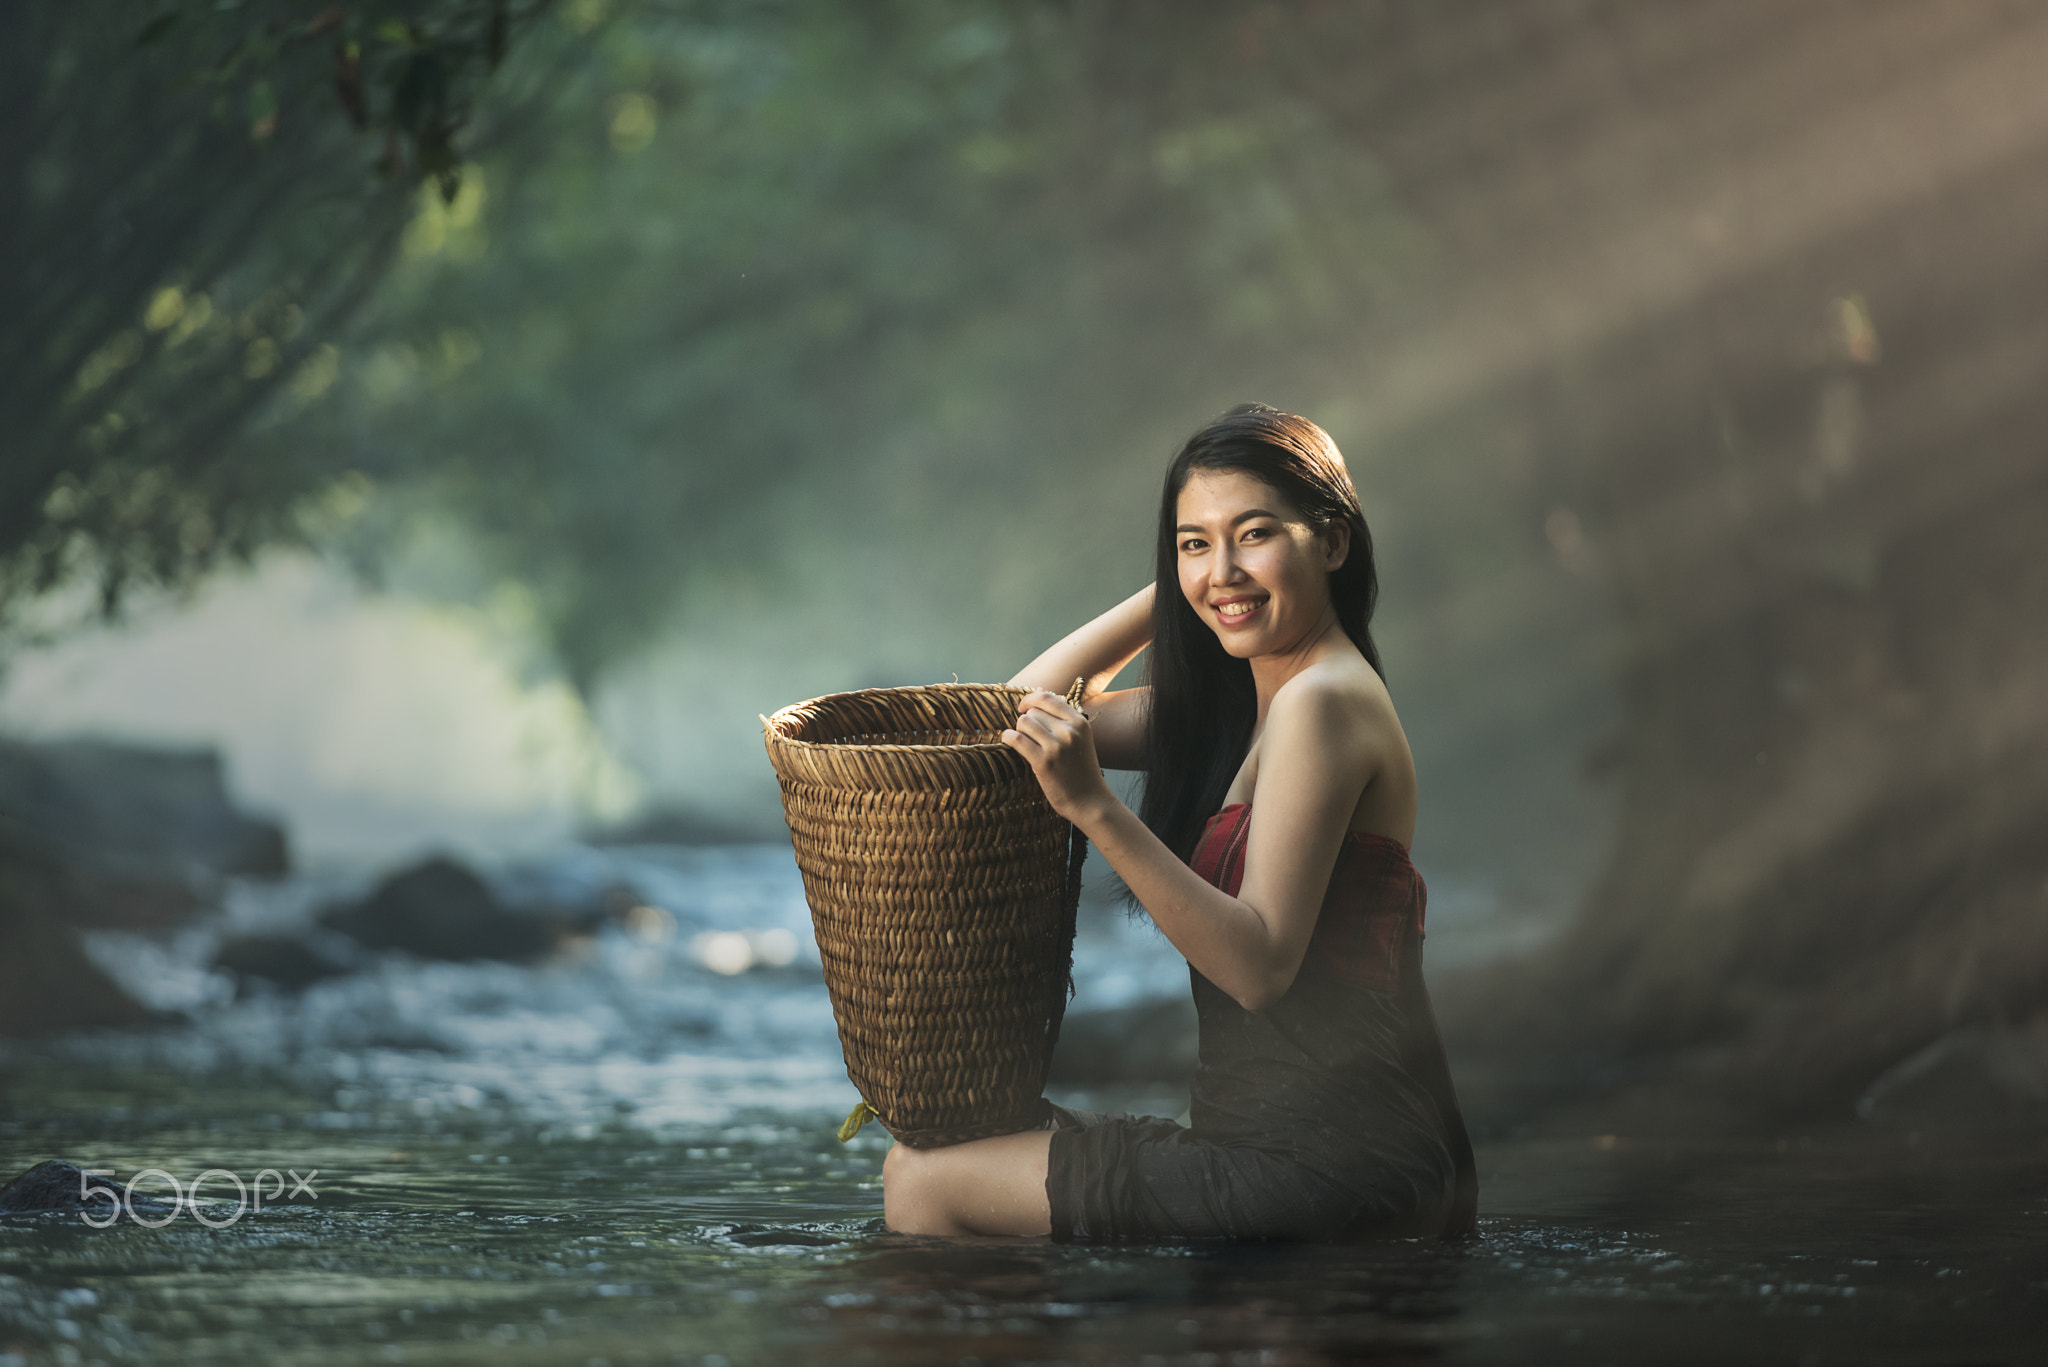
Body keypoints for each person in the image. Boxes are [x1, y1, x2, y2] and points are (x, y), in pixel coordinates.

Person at [882, 403, 1477, 1241]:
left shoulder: (1324, 701)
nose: (1223, 568)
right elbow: (1010, 716)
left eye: (1256, 533)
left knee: (923, 1180)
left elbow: (1260, 965)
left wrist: (1092, 806)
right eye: (1195, 540)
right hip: (1318, 1153)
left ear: (1333, 542)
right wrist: (1193, 584)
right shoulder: (1251, 706)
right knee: (948, 1160)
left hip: (1329, 1167)